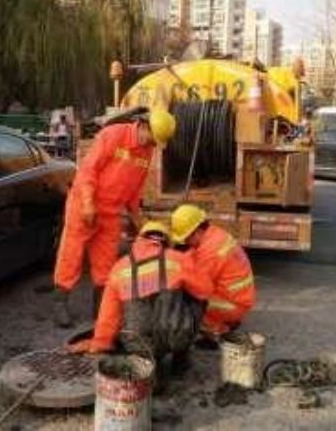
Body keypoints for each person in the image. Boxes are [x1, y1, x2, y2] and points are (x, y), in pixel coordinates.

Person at [52, 109, 177, 328]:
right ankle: (60, 303)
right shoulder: (113, 135)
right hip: (84, 206)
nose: (154, 145)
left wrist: (137, 218)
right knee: (71, 255)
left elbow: (135, 188)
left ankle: (101, 308)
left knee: (105, 262)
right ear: (144, 126)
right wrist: (89, 203)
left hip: (111, 212)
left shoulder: (147, 151)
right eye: (153, 139)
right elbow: (88, 170)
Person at [68, 221, 213, 381]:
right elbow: (205, 291)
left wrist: (98, 344)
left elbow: (108, 318)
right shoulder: (178, 259)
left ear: (139, 240)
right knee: (198, 300)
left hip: (138, 344)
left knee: (125, 311)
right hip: (174, 335)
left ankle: (149, 367)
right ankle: (180, 361)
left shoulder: (119, 268)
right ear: (166, 241)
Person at [171, 204, 256, 337]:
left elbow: (200, 288)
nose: (185, 242)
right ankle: (226, 320)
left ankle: (217, 329)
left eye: (186, 238)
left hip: (233, 304)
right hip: (240, 297)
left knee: (186, 299)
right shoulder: (214, 234)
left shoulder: (209, 252)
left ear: (197, 231)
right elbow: (193, 254)